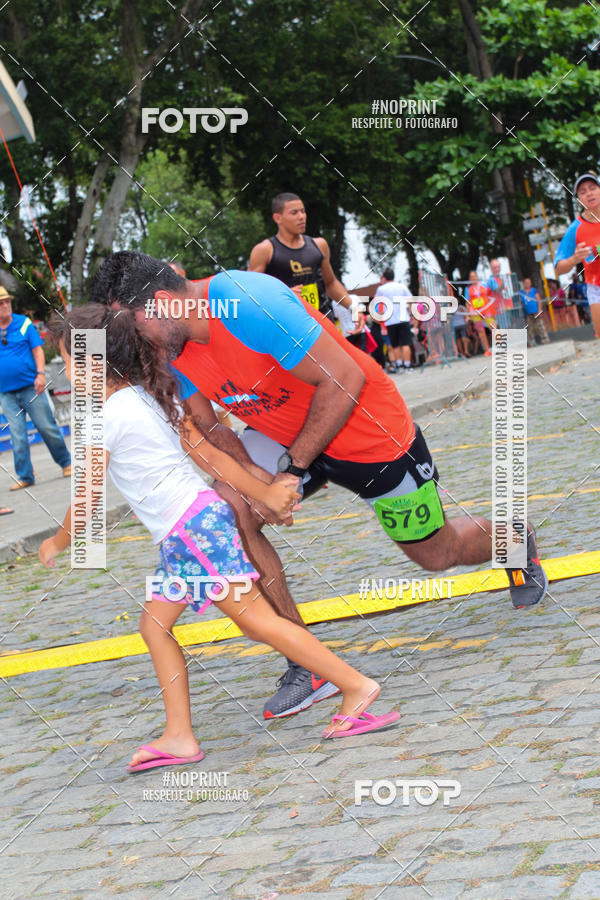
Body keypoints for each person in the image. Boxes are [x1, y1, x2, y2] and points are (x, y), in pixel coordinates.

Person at [90, 251, 549, 720]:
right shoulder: (168, 347)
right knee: (229, 510)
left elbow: (344, 378)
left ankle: (516, 540)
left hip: (366, 428)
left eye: (132, 324)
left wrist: (290, 472)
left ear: (163, 302)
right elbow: (207, 426)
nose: (130, 339)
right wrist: (255, 479)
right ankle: (307, 665)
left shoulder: (246, 302)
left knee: (437, 553)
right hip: (283, 435)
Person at [39, 305, 399, 771]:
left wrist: (57, 542)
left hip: (191, 534)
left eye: (69, 359)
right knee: (155, 626)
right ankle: (179, 736)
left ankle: (355, 687)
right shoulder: (149, 397)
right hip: (193, 530)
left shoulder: (106, 417)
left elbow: (87, 497)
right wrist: (266, 493)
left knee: (257, 623)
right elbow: (213, 459)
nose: (66, 371)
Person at [0, 286, 71, 489]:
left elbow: (38, 351)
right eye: (0, 303)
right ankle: (25, 476)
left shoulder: (23, 323)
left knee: (46, 427)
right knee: (17, 435)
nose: (5, 305)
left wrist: (40, 374)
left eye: (7, 301)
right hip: (6, 392)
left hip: (31, 387)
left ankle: (66, 463)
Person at [248, 192, 359, 322]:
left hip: (322, 320)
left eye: (303, 211)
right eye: (294, 213)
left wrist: (353, 308)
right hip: (287, 324)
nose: (301, 217)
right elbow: (250, 293)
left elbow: (330, 283)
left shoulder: (319, 245)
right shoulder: (265, 250)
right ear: (278, 218)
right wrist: (283, 296)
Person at [554, 172, 600, 338]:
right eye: (582, 192)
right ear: (579, 199)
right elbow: (558, 269)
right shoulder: (575, 228)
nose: (589, 193)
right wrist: (575, 258)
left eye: (592, 188)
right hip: (597, 288)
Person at [373, 268, 413, 373]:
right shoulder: (402, 286)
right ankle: (407, 366)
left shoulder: (381, 289)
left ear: (385, 277)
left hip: (390, 321)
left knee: (395, 345)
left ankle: (399, 365)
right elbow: (410, 300)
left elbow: (377, 303)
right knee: (405, 344)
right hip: (403, 318)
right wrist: (411, 314)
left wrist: (381, 318)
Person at [465, 270, 494, 356]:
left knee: (493, 328)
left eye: (474, 276)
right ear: (470, 279)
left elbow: (490, 296)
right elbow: (467, 302)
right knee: (481, 332)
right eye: (471, 277)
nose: (473, 278)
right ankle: (487, 350)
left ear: (477, 277)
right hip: (475, 313)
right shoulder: (468, 289)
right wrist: (467, 316)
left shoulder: (484, 285)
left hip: (486, 310)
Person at [519, 278, 549, 347]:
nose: (527, 284)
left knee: (540, 325)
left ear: (530, 283)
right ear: (523, 283)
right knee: (529, 327)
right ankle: (532, 341)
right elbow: (520, 303)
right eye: (526, 282)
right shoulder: (521, 292)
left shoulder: (534, 290)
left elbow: (539, 300)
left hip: (536, 311)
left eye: (528, 282)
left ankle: (545, 339)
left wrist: (539, 310)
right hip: (527, 312)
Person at [486, 259, 513, 328]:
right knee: (504, 329)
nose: (497, 269)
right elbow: (497, 290)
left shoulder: (499, 278)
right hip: (495, 310)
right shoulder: (491, 280)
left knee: (507, 328)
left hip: (502, 308)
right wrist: (505, 278)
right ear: (491, 269)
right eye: (495, 267)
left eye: (498, 267)